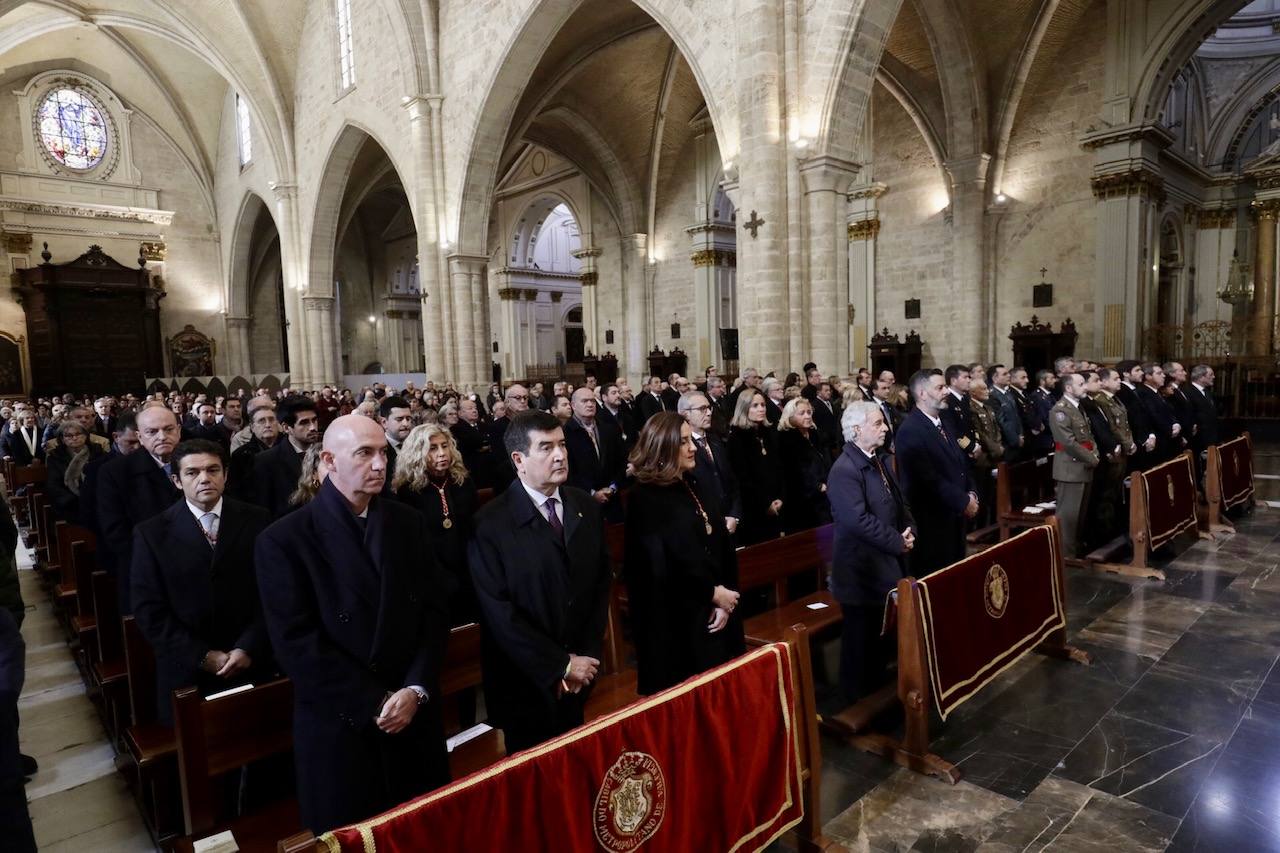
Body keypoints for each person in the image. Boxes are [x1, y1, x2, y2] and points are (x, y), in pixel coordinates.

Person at [256, 415, 451, 833]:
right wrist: (376, 703)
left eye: (384, 452)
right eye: (364, 453)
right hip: (345, 724)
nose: (381, 464)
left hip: (412, 712)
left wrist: (416, 689)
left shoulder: (407, 522)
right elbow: (297, 645)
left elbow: (434, 612)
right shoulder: (284, 540)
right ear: (328, 460)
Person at [467, 410, 612, 754]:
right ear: (519, 459)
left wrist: (586, 659)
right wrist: (559, 666)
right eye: (546, 448)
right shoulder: (490, 524)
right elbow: (500, 614)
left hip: (580, 676)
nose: (560, 455)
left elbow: (599, 583)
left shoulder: (583, 507)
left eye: (561, 444)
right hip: (524, 683)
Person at [130, 440, 272, 725]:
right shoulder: (152, 533)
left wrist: (247, 646)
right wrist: (203, 656)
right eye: (192, 473)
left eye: (212, 470)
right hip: (188, 668)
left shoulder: (258, 519)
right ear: (177, 481)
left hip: (252, 659)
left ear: (225, 475)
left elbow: (274, 592)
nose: (204, 478)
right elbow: (150, 611)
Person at [624, 413, 743, 695]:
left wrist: (725, 598)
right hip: (678, 619)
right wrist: (712, 594)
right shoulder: (645, 498)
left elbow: (720, 544)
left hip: (716, 609)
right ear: (663, 446)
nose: (693, 448)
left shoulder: (693, 482)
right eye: (684, 442)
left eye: (692, 440)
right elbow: (659, 568)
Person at [828, 402, 913, 702]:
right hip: (860, 569)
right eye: (878, 423)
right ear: (856, 430)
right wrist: (897, 541)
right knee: (859, 641)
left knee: (879, 636)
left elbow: (898, 502)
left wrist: (909, 529)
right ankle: (853, 704)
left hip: (883, 561)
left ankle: (876, 695)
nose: (885, 428)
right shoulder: (844, 470)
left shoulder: (876, 459)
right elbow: (857, 521)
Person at [97, 404, 184, 613]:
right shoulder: (115, 473)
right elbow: (116, 533)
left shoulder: (197, 462)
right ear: (140, 436)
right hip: (147, 572)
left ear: (179, 430)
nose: (162, 436)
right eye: (152, 432)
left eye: (169, 429)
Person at [394, 424, 480, 624]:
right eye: (432, 448)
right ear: (418, 453)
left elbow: (476, 524)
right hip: (433, 577)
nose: (442, 453)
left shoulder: (462, 481)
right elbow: (410, 545)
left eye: (445, 446)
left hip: (469, 569)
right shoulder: (407, 491)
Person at [894, 370, 977, 576]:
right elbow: (928, 479)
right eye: (940, 387)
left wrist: (972, 492)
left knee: (955, 574)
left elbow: (961, 464)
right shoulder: (910, 430)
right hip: (932, 521)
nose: (946, 391)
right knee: (936, 578)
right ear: (922, 393)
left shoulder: (944, 422)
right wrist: (963, 501)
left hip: (954, 516)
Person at [1049, 374, 1099, 559]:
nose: (1085, 387)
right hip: (1070, 469)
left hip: (1083, 466)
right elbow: (1068, 443)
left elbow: (1087, 436)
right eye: (1081, 384)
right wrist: (1091, 458)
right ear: (1069, 388)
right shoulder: (1060, 410)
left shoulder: (1078, 408)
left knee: (1080, 516)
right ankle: (1065, 556)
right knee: (1068, 517)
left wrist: (1095, 452)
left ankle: (1074, 551)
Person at [678, 391, 740, 536]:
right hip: (704, 526)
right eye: (702, 409)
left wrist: (734, 516)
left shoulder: (716, 440)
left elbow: (732, 481)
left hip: (730, 522)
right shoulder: (681, 449)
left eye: (709, 408)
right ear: (685, 414)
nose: (709, 413)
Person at [727, 389, 784, 545]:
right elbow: (743, 479)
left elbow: (778, 468)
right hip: (753, 509)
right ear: (744, 409)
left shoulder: (767, 432)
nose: (761, 409)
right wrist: (765, 504)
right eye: (755, 405)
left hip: (775, 503)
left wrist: (779, 497)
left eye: (763, 405)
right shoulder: (736, 438)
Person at [563, 387, 626, 523]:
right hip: (582, 502)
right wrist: (591, 493)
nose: (590, 404)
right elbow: (568, 472)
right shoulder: (566, 434)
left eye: (592, 401)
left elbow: (621, 461)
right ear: (573, 405)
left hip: (612, 500)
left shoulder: (608, 428)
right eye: (585, 401)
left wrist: (613, 487)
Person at [252, 397, 320, 518]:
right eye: (304, 423)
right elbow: (264, 508)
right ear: (286, 428)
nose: (313, 427)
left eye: (314, 420)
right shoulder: (266, 461)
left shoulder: (327, 452)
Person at [776, 398, 832, 533]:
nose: (807, 416)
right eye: (802, 413)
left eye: (809, 412)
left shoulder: (813, 434)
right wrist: (818, 486)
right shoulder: (786, 438)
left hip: (823, 495)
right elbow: (795, 471)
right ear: (790, 416)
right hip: (801, 500)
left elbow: (824, 460)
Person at [44, 420, 102, 523]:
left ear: (85, 435)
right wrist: (77, 502)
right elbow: (54, 486)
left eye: (78, 434)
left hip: (97, 502)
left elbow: (104, 479)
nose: (75, 438)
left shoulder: (97, 452)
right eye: (69, 436)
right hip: (70, 505)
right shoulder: (56, 456)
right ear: (62, 439)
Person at [1136, 362, 1182, 464]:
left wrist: (1175, 423)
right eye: (1159, 373)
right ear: (1148, 376)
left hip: (1166, 440)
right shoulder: (1143, 393)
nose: (1164, 375)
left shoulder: (1156, 392)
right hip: (1157, 442)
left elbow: (1169, 412)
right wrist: (1170, 430)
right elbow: (1152, 416)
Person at [487, 384, 529, 492]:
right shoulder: (496, 427)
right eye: (518, 398)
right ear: (507, 402)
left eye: (525, 397)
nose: (523, 401)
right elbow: (501, 458)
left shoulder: (532, 424)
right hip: (508, 481)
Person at [987, 364, 1025, 462]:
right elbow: (1002, 421)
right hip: (1007, 443)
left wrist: (1020, 434)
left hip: (1017, 439)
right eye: (1004, 374)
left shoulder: (1007, 393)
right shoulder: (992, 396)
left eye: (1008, 373)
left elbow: (1016, 416)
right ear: (995, 378)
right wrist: (1015, 440)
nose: (1009, 376)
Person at [1186, 364, 1219, 461]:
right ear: (1201, 377)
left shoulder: (1207, 392)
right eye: (1211, 374)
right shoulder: (1188, 392)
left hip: (1210, 438)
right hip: (1198, 440)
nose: (1214, 377)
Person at [379, 396, 413, 481]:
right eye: (399, 419)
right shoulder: (379, 449)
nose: (406, 424)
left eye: (408, 419)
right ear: (384, 423)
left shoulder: (417, 444)